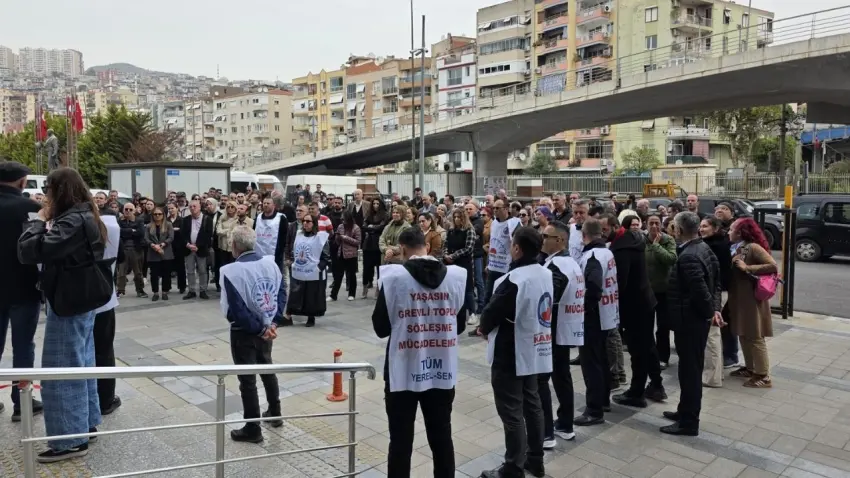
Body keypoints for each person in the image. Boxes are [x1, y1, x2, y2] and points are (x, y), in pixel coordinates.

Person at [18, 168, 114, 462]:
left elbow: (30, 251)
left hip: (69, 302)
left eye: (48, 189)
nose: (45, 195)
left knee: (61, 371)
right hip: (82, 300)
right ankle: (86, 424)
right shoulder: (87, 214)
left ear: (59, 191)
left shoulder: (71, 219)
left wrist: (40, 221)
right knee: (82, 363)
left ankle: (69, 440)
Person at [371, 228, 466, 477]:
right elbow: (461, 325)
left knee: (401, 441)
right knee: (442, 437)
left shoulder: (394, 278)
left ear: (402, 249)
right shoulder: (455, 277)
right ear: (426, 246)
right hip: (441, 368)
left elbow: (380, 328)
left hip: (403, 369)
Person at [476, 226, 551, 478]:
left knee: (512, 411)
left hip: (511, 351)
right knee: (532, 404)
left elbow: (491, 312)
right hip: (535, 347)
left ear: (517, 249)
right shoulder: (545, 272)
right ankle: (535, 459)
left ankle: (513, 467)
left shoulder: (514, 279)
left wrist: (483, 327)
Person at [220, 226, 287, 443]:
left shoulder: (232, 271)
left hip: (245, 332)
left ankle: (253, 427)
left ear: (235, 246)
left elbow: (236, 310)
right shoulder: (271, 264)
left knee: (247, 379)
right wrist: (273, 322)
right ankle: (275, 412)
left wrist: (260, 328)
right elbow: (280, 292)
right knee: (267, 367)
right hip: (268, 327)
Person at [661, 212, 722, 437]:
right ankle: (684, 411)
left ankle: (689, 422)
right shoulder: (702, 248)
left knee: (690, 373)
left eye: (673, 226)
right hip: (693, 320)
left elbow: (702, 290)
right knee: (689, 370)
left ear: (678, 230)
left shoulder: (690, 255)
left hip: (690, 322)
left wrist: (710, 313)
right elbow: (716, 282)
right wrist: (714, 310)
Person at [0, 162, 44, 419]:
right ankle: (22, 403)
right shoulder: (30, 208)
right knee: (23, 347)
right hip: (24, 288)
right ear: (22, 182)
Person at [609, 214, 667, 408]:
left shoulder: (623, 248)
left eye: (604, 228)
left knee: (638, 350)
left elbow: (621, 282)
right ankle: (656, 385)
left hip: (635, 305)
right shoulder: (633, 240)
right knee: (647, 346)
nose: (601, 233)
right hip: (644, 301)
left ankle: (637, 392)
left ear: (615, 226)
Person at [538, 221, 581, 446]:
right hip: (566, 328)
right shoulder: (569, 263)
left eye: (546, 236)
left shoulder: (557, 267)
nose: (542, 239)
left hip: (554, 331)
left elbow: (548, 297)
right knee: (562, 377)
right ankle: (565, 424)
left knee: (543, 380)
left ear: (561, 241)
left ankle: (545, 433)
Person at [574, 218, 618, 427]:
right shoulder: (606, 252)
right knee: (600, 360)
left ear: (584, 236)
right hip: (606, 314)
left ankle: (594, 410)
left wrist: (584, 308)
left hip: (594, 316)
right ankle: (603, 400)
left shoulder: (591, 256)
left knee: (591, 363)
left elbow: (593, 286)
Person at [727, 217, 777, 388]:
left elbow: (773, 265)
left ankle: (763, 375)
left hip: (751, 299)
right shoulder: (736, 248)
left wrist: (748, 268)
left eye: (731, 229)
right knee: (743, 333)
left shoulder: (753, 247)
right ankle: (750, 368)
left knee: (755, 336)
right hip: (740, 298)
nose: (728, 232)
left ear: (740, 232)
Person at [93, 202, 122, 416]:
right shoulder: (108, 226)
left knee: (96, 349)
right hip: (101, 298)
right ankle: (105, 398)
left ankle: (102, 397)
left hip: (83, 300)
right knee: (103, 348)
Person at [699, 216, 732, 387]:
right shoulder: (718, 244)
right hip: (718, 292)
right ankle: (716, 372)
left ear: (715, 229)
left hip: (715, 293)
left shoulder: (714, 246)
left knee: (712, 334)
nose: (701, 229)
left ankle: (712, 378)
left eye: (705, 226)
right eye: (701, 226)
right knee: (713, 334)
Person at [644, 215, 678, 370]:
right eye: (651, 223)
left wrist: (657, 245)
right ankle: (649, 354)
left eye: (657, 223)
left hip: (664, 290)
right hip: (647, 290)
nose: (654, 226)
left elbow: (671, 259)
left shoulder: (668, 240)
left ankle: (663, 357)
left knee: (663, 325)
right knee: (646, 324)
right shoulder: (642, 239)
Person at [287, 213, 330, 327]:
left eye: (308, 221)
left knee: (311, 295)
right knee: (297, 293)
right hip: (300, 270)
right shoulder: (299, 235)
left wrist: (318, 268)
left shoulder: (321, 237)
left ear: (314, 223)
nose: (305, 223)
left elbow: (326, 257)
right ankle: (291, 313)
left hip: (313, 272)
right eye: (304, 221)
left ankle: (311, 317)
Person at [483, 200, 521, 313]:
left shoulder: (514, 223)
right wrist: (488, 263)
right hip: (493, 265)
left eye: (497, 208)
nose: (495, 210)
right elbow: (492, 243)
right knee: (488, 296)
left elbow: (518, 243)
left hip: (506, 266)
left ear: (505, 208)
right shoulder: (494, 222)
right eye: (494, 208)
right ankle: (483, 326)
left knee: (502, 296)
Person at [444, 208, 477, 326]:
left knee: (468, 289)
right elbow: (446, 244)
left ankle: (472, 313)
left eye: (459, 217)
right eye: (455, 217)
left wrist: (453, 255)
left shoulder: (469, 230)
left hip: (464, 263)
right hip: (451, 263)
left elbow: (468, 248)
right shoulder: (451, 230)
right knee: (454, 288)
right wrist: (446, 254)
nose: (457, 219)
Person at [182, 199, 214, 300]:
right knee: (190, 270)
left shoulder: (207, 219)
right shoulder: (186, 219)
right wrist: (188, 244)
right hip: (188, 249)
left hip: (201, 249)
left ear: (200, 207)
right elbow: (182, 234)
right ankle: (191, 290)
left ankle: (203, 290)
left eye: (194, 206)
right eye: (190, 207)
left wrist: (197, 246)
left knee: (202, 270)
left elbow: (208, 235)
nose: (192, 208)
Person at [117, 203, 147, 298]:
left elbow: (141, 233)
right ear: (123, 210)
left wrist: (126, 231)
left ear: (134, 210)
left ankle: (140, 290)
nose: (128, 211)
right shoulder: (119, 221)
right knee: (121, 272)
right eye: (126, 209)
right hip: (123, 249)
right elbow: (118, 232)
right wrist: (131, 231)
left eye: (130, 209)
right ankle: (120, 290)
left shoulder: (139, 220)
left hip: (136, 249)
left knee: (138, 272)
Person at [330, 210, 361, 301]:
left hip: (351, 255)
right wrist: (338, 237)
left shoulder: (356, 228)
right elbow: (337, 241)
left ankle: (352, 294)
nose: (342, 220)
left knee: (351, 275)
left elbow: (358, 242)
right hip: (341, 254)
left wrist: (346, 238)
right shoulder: (340, 227)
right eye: (342, 218)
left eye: (344, 218)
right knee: (338, 276)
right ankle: (333, 295)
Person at [145, 207, 175, 301]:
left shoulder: (168, 225)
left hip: (166, 252)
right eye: (155, 214)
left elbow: (171, 237)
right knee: (154, 274)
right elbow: (146, 239)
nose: (157, 216)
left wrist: (162, 244)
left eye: (159, 214)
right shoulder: (149, 226)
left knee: (166, 274)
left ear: (163, 215)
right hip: (153, 252)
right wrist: (153, 245)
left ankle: (165, 292)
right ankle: (156, 292)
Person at [362, 198, 389, 298]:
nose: (375, 205)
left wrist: (371, 227)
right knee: (366, 268)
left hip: (378, 244)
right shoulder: (369, 214)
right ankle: (365, 288)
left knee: (379, 268)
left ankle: (378, 288)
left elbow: (382, 227)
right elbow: (364, 226)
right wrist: (373, 228)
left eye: (377, 203)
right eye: (374, 203)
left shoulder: (385, 215)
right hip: (368, 244)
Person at [166, 203, 187, 294]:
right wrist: (174, 230)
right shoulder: (166, 220)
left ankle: (182, 286)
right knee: (167, 267)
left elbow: (183, 232)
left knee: (180, 267)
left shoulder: (182, 220)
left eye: (172, 208)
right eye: (169, 208)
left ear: (177, 209)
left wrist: (174, 231)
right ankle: (167, 286)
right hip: (168, 246)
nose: (171, 210)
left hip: (179, 246)